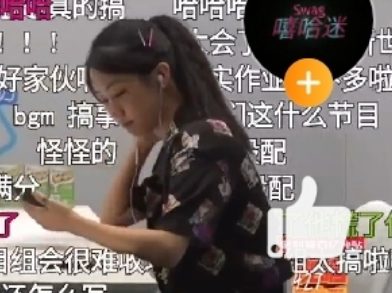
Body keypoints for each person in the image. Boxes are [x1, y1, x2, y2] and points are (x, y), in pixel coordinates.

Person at [22, 16, 293, 293]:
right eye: (105, 101)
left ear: (161, 76)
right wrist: (142, 144)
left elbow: (169, 247)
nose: (114, 111)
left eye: (120, 93)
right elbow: (115, 217)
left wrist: (70, 223)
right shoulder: (178, 144)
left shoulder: (204, 141)